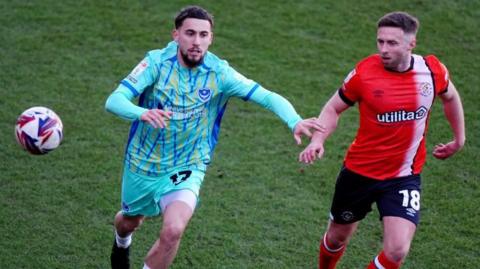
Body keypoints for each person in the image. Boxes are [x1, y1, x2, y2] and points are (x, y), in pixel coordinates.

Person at [105, 5, 323, 269]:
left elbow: (266, 95)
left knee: (173, 230)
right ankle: (121, 241)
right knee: (130, 221)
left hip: (188, 164)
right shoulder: (155, 63)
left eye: (203, 35)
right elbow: (114, 100)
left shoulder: (220, 73)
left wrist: (294, 120)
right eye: (190, 34)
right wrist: (142, 113)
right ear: (176, 35)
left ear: (211, 38)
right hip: (143, 163)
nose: (196, 42)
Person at [299, 11, 465, 269]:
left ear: (412, 43)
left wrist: (459, 139)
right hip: (359, 173)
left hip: (404, 176)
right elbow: (333, 108)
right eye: (380, 42)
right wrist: (318, 140)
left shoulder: (432, 71)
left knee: (397, 251)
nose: (384, 49)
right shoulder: (364, 73)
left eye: (392, 43)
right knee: (336, 237)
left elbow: (451, 97)